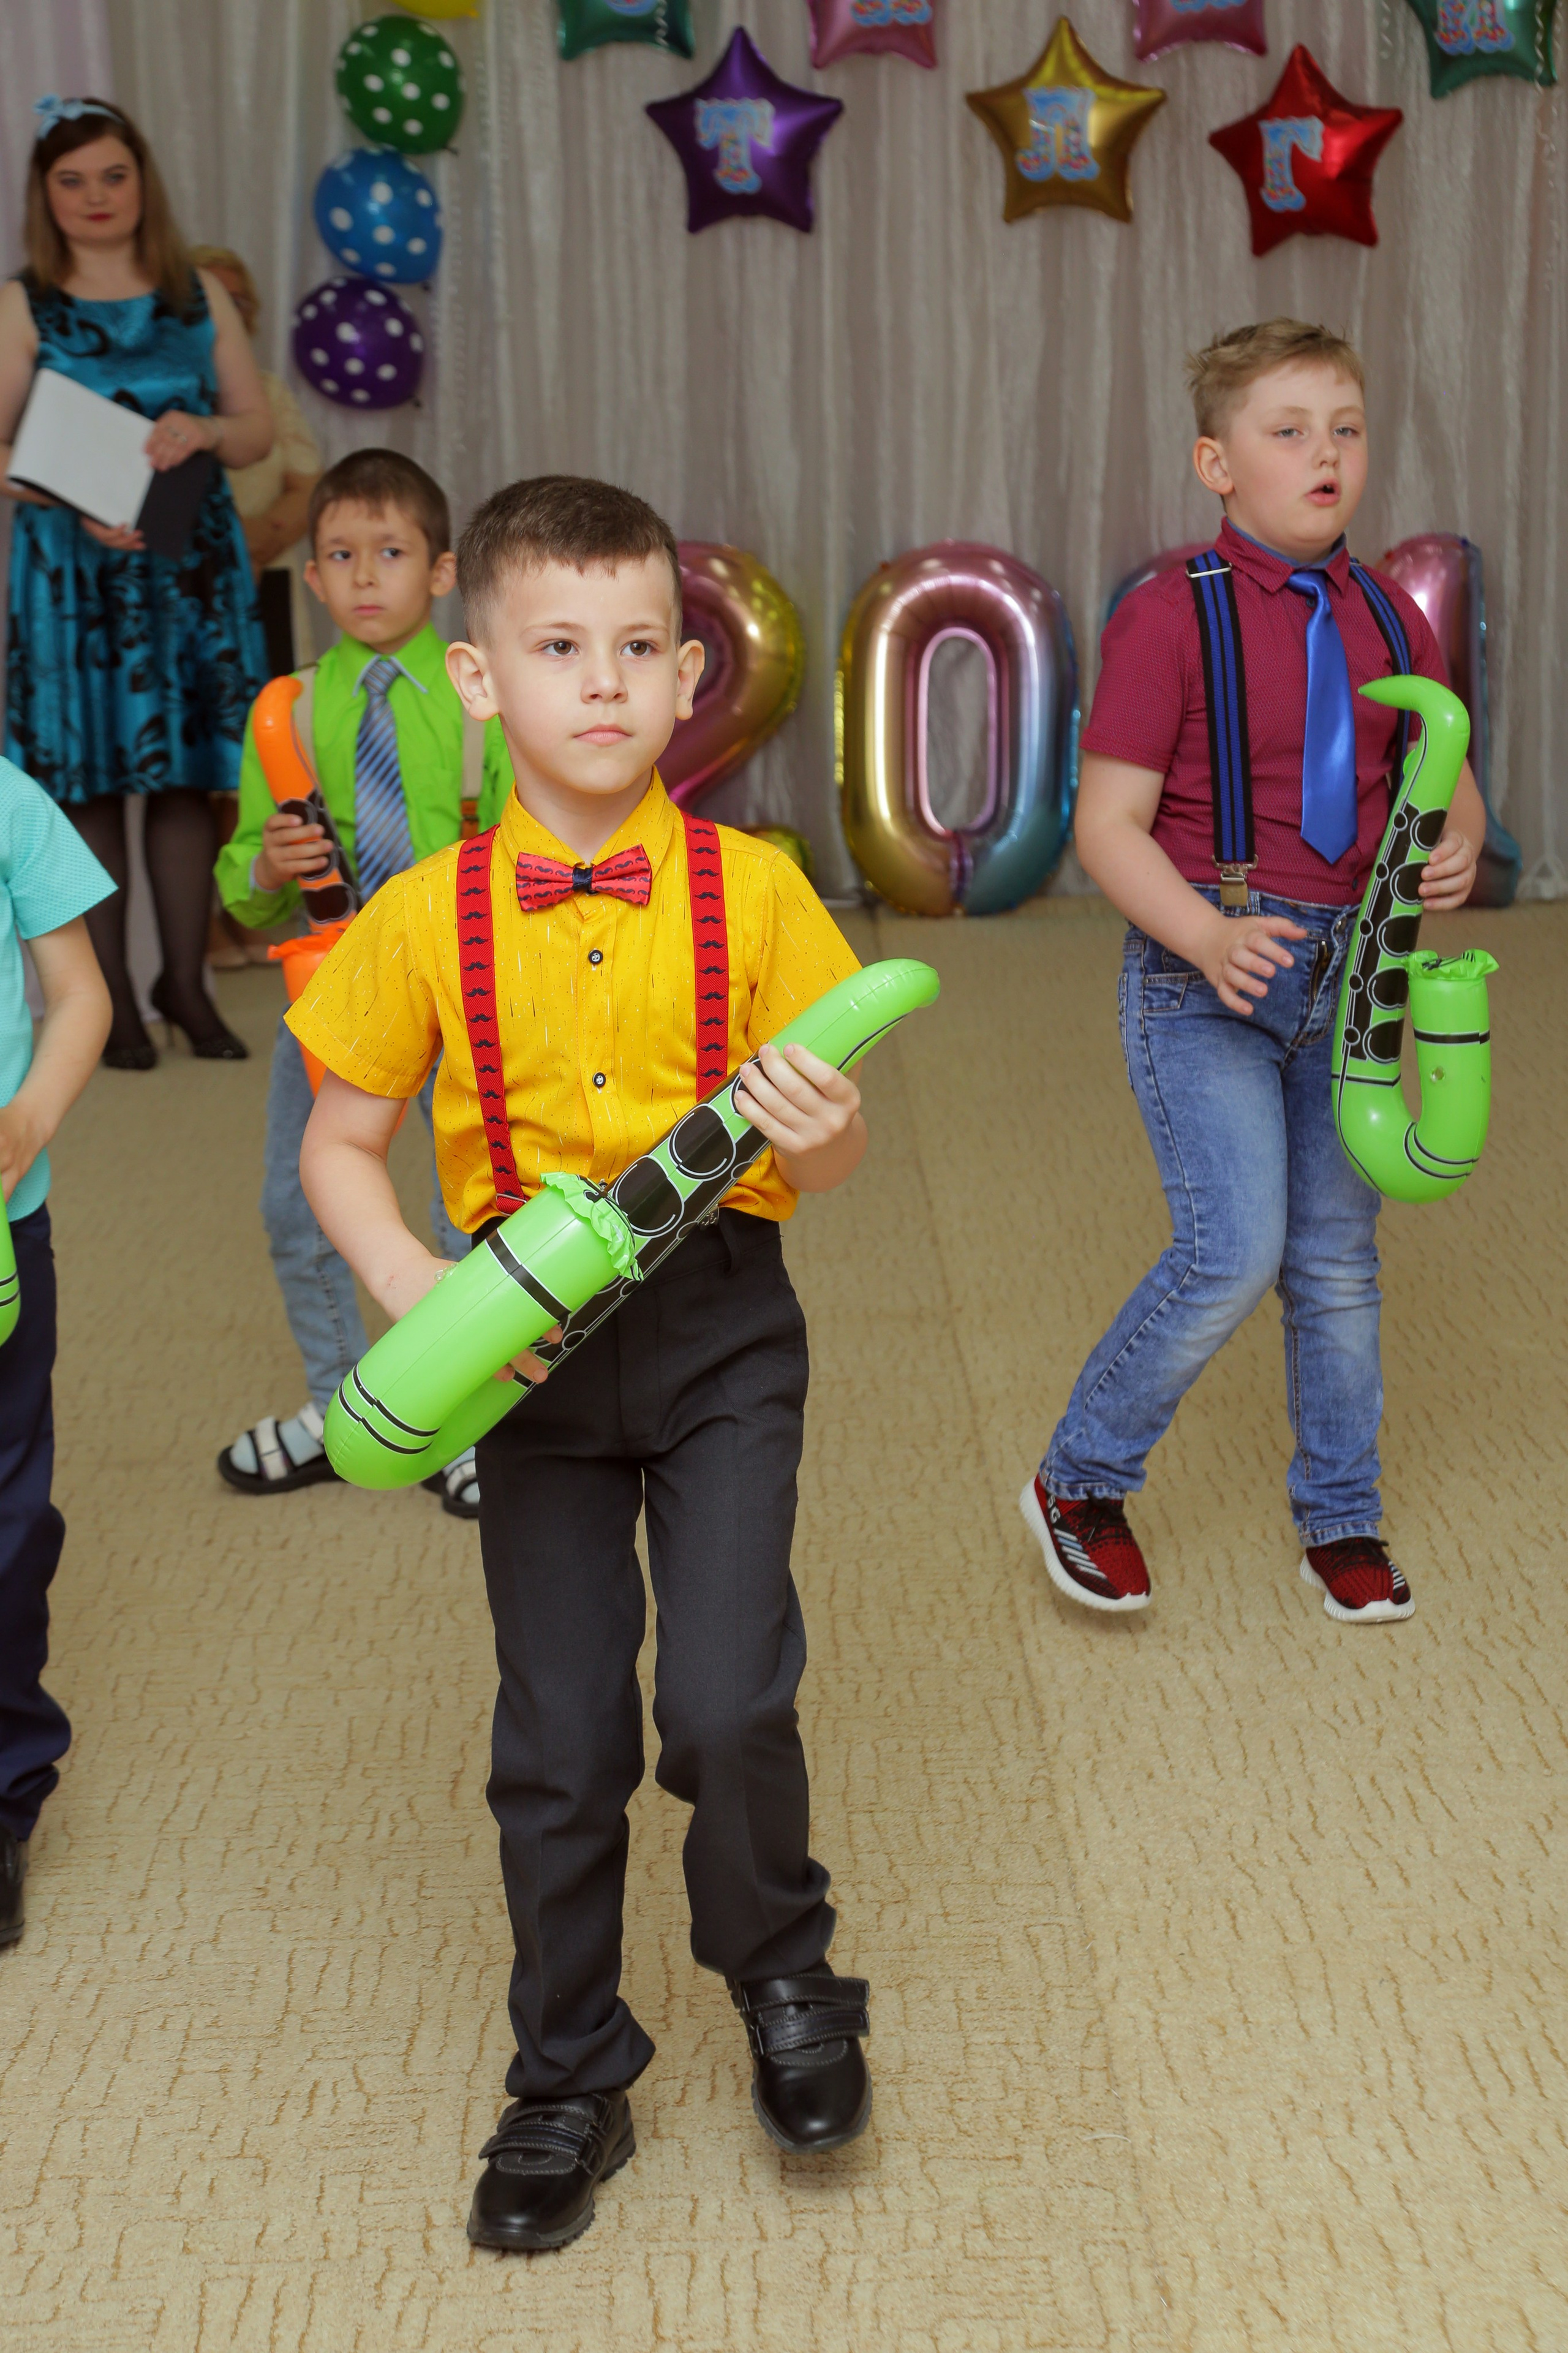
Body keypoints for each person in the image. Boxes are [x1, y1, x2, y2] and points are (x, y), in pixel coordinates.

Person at [287, 475, 875, 2251]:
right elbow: (338, 1141)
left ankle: (783, 1968)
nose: (601, 682)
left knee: (724, 1698)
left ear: (689, 676)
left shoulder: (758, 891)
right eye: (557, 647)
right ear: (479, 679)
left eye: (636, 647)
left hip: (721, 1329)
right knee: (559, 1736)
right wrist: (412, 1278)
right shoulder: (421, 913)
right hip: (519, 1352)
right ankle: (567, 2068)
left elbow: (832, 1152)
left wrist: (824, 1129)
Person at [1020, 319, 1485, 1627]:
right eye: (1287, 432)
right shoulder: (1169, 613)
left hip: (1353, 979)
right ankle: (1079, 1478)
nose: (1324, 454)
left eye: (1344, 429)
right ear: (1216, 465)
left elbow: (1441, 778)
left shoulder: (1393, 612)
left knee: (1335, 1259)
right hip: (1205, 974)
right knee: (1233, 1250)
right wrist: (1207, 936)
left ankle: (1341, 1515)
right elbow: (1107, 827)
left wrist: (1454, 842)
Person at [214, 448, 512, 1520]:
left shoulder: (484, 702)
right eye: (340, 556)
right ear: (312, 577)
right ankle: (343, 1401)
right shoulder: (289, 711)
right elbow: (243, 890)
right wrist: (266, 869)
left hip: (465, 994)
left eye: (390, 552)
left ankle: (470, 1418)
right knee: (298, 1198)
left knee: (470, 1207)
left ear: (441, 571)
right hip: (335, 996)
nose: (365, 576)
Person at [0, 97, 271, 1070]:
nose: (95, 196)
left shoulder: (196, 295)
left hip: (186, 570)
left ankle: (186, 988)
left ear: (142, 182)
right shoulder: (24, 303)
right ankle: (108, 1001)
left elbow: (256, 431)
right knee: (90, 787)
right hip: (73, 576)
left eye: (113, 176)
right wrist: (63, 491)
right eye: (72, 181)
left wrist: (206, 430)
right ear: (45, 194)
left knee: (188, 780)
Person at [0, 756, 115, 1949]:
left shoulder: (7, 802)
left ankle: (3, 1791)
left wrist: (27, 1119)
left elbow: (79, 996)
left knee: (5, 1519)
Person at [187, 244, 322, 678]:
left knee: (277, 711)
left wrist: (254, 544)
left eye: (237, 301)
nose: (224, 311)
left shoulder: (271, 392)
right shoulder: (158, 395)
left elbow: (309, 491)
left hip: (269, 578)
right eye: (210, 299)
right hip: (186, 584)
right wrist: (227, 546)